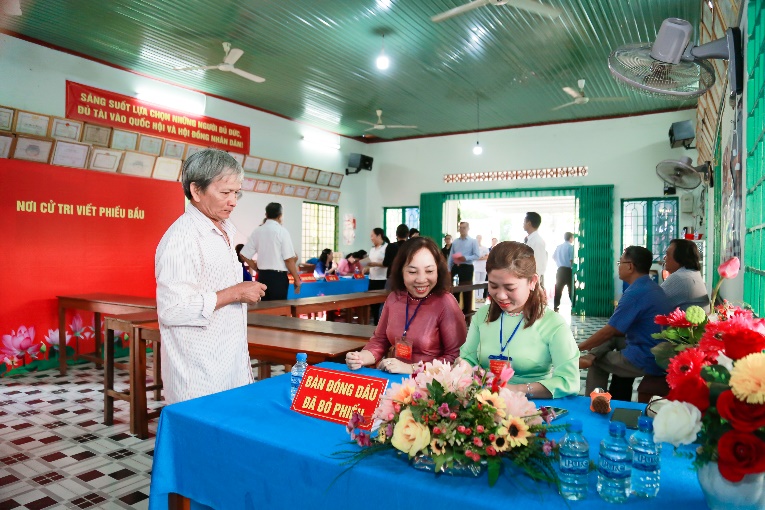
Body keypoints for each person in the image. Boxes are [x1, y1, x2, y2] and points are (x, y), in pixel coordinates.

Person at [155, 149, 266, 404]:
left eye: (236, 193)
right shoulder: (183, 238)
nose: (233, 201)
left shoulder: (223, 230)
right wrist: (236, 292)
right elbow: (172, 309)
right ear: (196, 191)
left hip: (227, 363)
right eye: (225, 193)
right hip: (198, 375)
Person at [459, 242, 580, 399]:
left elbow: (569, 380)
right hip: (485, 402)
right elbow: (468, 358)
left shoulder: (553, 324)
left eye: (510, 288)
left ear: (532, 281)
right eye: (493, 286)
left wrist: (517, 389)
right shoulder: (482, 315)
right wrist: (463, 369)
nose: (501, 295)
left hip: (533, 405)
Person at [346, 237, 467, 374]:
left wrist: (412, 368)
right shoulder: (394, 298)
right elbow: (379, 341)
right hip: (395, 379)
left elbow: (455, 357)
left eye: (429, 271)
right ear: (401, 271)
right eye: (412, 272)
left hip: (430, 383)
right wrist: (361, 357)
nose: (421, 279)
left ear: (438, 271)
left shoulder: (446, 303)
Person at [578, 246, 672, 400]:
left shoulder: (634, 293)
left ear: (630, 266)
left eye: (620, 262)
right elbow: (615, 331)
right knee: (614, 337)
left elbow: (609, 330)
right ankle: (592, 355)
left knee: (597, 362)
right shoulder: (652, 287)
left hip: (647, 358)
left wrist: (578, 348)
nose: (618, 267)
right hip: (656, 350)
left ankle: (594, 402)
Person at [241, 202, 301, 300]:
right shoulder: (282, 231)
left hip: (262, 277)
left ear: (266, 214)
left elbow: (244, 255)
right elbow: (289, 259)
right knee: (278, 308)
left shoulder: (257, 231)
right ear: (280, 216)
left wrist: (256, 268)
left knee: (263, 307)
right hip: (278, 279)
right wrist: (296, 279)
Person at [661, 239, 710, 313]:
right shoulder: (691, 273)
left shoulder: (680, 277)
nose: (664, 258)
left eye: (667, 254)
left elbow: (652, 301)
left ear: (679, 258)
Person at [449, 221, 480, 313]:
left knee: (467, 291)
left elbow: (477, 255)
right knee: (454, 290)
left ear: (468, 229)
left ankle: (467, 313)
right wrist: (448, 269)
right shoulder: (455, 242)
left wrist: (466, 258)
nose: (462, 229)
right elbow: (451, 256)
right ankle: (454, 311)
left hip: (467, 267)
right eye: (460, 227)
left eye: (464, 228)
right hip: (456, 267)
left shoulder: (473, 241)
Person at [366, 228, 389, 323]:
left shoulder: (386, 247)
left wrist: (375, 264)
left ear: (379, 236)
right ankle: (375, 323)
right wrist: (366, 268)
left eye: (372, 236)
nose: (371, 238)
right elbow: (370, 262)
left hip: (382, 279)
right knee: (373, 304)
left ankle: (381, 324)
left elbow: (387, 263)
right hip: (372, 279)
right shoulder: (372, 249)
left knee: (381, 305)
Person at [523, 212, 547, 288]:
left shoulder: (537, 241)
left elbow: (538, 264)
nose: (523, 224)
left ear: (529, 223)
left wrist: (534, 283)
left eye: (524, 221)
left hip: (533, 280)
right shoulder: (530, 239)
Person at [552, 232, 575, 312]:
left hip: (560, 270)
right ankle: (574, 306)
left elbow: (554, 257)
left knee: (558, 289)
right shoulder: (570, 247)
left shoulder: (559, 247)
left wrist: (559, 262)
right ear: (570, 238)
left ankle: (556, 306)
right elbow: (571, 260)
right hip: (568, 270)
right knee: (571, 289)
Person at [473, 235, 490, 303]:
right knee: (476, 282)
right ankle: (476, 297)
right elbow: (474, 257)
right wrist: (481, 257)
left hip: (483, 267)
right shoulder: (474, 248)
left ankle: (480, 297)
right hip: (476, 267)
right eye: (478, 238)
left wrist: (479, 258)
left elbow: (487, 257)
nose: (479, 239)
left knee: (482, 282)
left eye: (480, 238)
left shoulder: (485, 248)